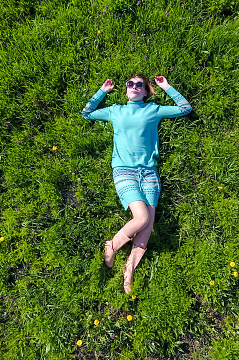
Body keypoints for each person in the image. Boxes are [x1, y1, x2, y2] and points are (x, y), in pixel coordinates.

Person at [81, 74, 192, 293]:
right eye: (130, 84)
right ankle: (111, 245)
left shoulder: (154, 110)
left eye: (139, 85)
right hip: (124, 170)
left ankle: (129, 268)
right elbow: (87, 113)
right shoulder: (115, 110)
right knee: (141, 218)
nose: (134, 87)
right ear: (126, 90)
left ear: (145, 91)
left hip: (149, 172)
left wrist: (166, 86)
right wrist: (102, 91)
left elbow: (185, 108)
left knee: (148, 224)